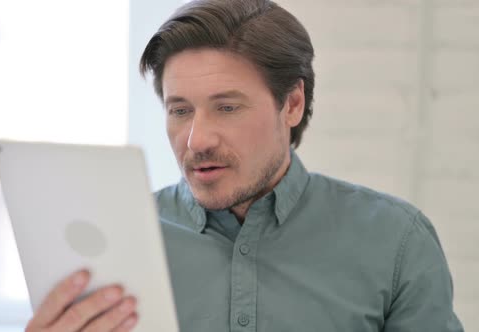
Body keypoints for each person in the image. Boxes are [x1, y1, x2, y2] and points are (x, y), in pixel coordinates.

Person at [24, 0, 465, 331]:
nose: (197, 140)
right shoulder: (116, 241)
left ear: (292, 104)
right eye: (180, 111)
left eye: (227, 108)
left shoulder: (395, 242)